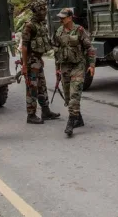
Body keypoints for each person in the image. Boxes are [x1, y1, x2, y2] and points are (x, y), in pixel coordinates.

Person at [52, 8, 96, 137]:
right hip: (65, 67)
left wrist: (92, 65)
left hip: (78, 66)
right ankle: (79, 119)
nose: (60, 19)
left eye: (63, 17)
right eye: (60, 17)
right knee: (68, 97)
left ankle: (70, 123)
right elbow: (56, 52)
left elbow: (90, 48)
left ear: (70, 18)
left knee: (75, 94)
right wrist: (57, 69)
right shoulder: (58, 32)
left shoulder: (79, 30)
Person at [21, 0, 61, 124]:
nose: (44, 11)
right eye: (41, 9)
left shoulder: (41, 24)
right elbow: (24, 46)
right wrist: (24, 65)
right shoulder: (29, 26)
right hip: (31, 62)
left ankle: (45, 111)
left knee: (42, 86)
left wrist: (40, 59)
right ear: (36, 11)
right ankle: (31, 115)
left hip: (37, 60)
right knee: (32, 87)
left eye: (45, 9)